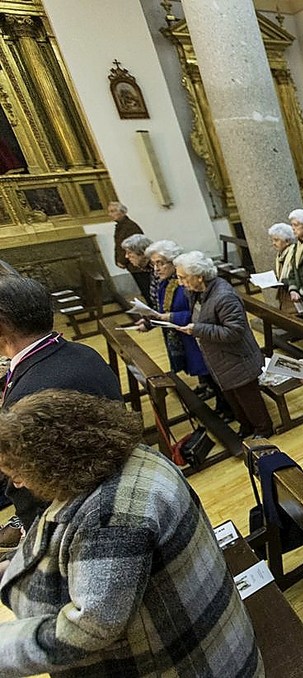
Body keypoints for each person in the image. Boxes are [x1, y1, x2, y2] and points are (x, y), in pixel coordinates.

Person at [0, 390, 262, 677]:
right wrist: (11, 565)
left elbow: (89, 629)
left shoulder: (110, 517)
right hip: (212, 633)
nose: (18, 483)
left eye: (17, 473)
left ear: (53, 459)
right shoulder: (129, 456)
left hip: (199, 663)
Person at [0, 275, 121, 555]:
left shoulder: (30, 396)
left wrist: (34, 540)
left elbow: (35, 486)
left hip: (79, 524)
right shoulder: (82, 352)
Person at [174, 251, 274, 439]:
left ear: (199, 276)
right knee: (233, 398)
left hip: (238, 358)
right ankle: (246, 427)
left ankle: (263, 430)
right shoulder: (197, 292)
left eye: (183, 277)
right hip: (220, 359)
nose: (180, 283)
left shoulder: (223, 296)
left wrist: (198, 330)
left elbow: (234, 332)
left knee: (248, 398)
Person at [140, 240, 215, 397]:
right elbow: (162, 310)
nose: (156, 269)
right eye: (153, 264)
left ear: (173, 261)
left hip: (195, 334)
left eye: (160, 263)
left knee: (207, 368)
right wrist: (149, 322)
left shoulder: (187, 283)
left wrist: (171, 317)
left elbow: (199, 313)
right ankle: (207, 386)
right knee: (200, 368)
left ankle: (218, 397)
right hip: (182, 334)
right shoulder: (165, 283)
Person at [109, 201, 149, 301]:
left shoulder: (130, 226)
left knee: (147, 288)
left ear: (122, 212)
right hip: (132, 265)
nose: (110, 214)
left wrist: (122, 261)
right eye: (109, 212)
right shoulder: (120, 226)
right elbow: (119, 245)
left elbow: (134, 246)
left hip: (138, 265)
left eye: (113, 211)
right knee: (144, 289)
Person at [268, 222, 298, 313]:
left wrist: (281, 282)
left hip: (293, 296)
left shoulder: (294, 253)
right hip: (283, 294)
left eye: (276, 240)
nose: (273, 243)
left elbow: (296, 275)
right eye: (272, 240)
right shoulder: (280, 255)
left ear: (287, 241)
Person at [120, 233, 155, 305]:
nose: (126, 256)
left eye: (129, 253)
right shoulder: (149, 269)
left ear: (143, 253)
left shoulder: (158, 270)